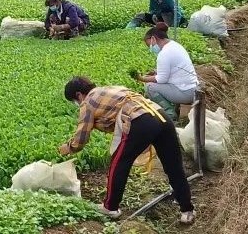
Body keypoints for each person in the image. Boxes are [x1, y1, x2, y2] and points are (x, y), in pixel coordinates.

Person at [58, 76, 195, 224]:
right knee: (173, 167)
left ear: (79, 95)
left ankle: (110, 207)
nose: (77, 104)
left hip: (140, 121)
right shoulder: (112, 88)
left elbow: (81, 138)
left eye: (74, 101)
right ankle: (187, 210)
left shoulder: (88, 102)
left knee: (118, 164)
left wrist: (66, 149)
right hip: (161, 116)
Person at [131, 23, 198, 121]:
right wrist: (156, 72)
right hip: (193, 89)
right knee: (154, 82)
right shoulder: (175, 45)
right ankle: (174, 109)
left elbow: (161, 79)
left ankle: (170, 115)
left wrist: (142, 79)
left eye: (149, 44)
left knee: (150, 87)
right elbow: (172, 69)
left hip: (185, 93)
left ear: (154, 38)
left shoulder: (164, 54)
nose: (150, 48)